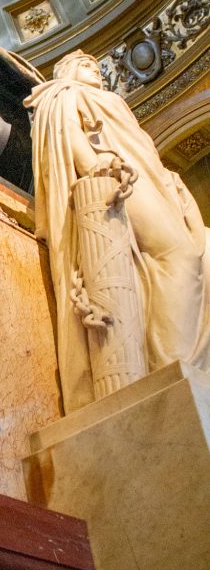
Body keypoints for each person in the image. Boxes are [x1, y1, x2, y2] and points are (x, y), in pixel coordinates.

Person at [25, 49, 210, 411]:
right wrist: (94, 165)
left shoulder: (109, 100)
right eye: (84, 64)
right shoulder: (64, 93)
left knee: (196, 251)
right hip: (117, 180)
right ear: (66, 71)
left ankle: (182, 363)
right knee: (179, 254)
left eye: (95, 65)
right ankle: (174, 361)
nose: (93, 68)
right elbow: (68, 136)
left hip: (149, 181)